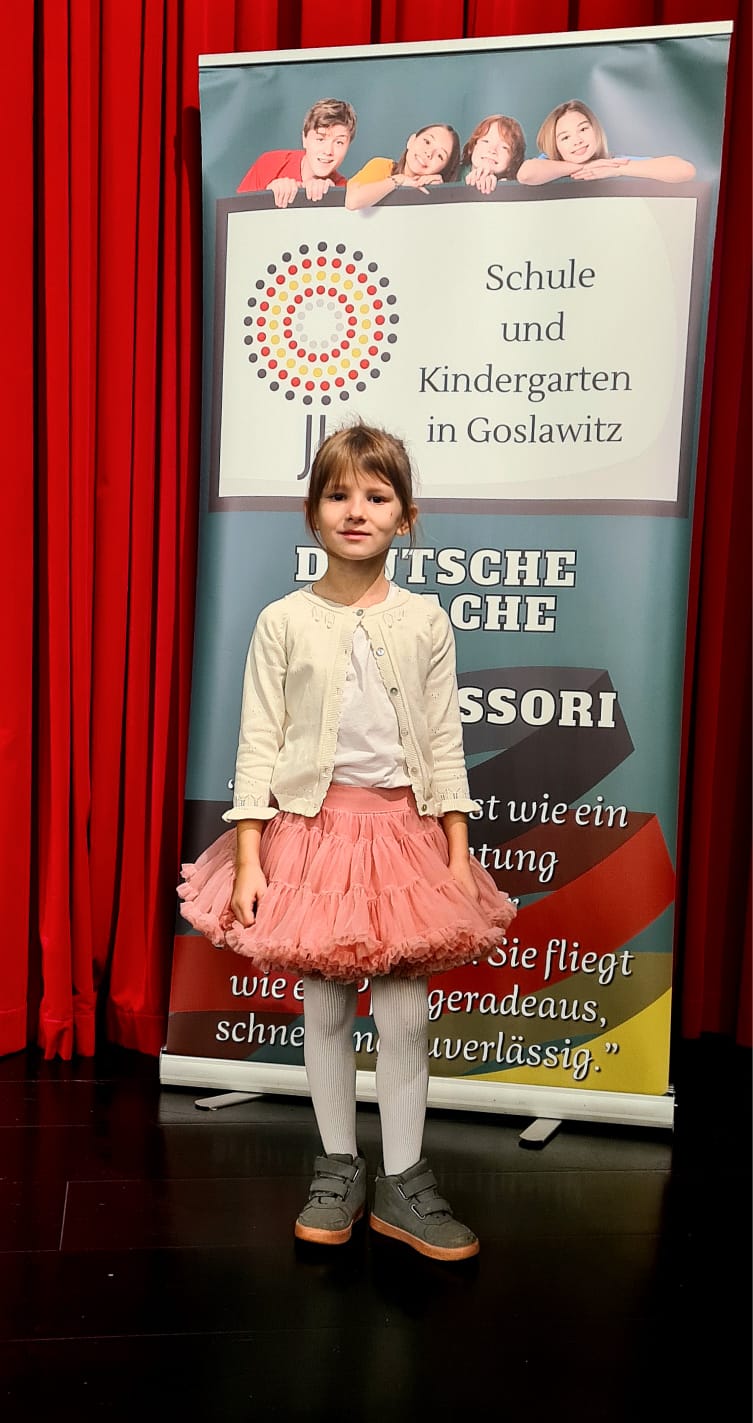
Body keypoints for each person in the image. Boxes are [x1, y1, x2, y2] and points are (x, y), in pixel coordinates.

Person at [178, 423, 516, 1262]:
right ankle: (337, 1168)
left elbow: (444, 742)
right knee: (325, 1007)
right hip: (311, 836)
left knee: (405, 1014)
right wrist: (249, 856)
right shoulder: (282, 620)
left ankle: (404, 1181)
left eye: (375, 495)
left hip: (402, 836)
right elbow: (258, 741)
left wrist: (456, 851)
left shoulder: (425, 620)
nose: (355, 510)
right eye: (337, 495)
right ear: (312, 512)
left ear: (405, 516)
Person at [517, 99, 696, 185]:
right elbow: (526, 175)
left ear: (595, 130)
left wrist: (616, 169)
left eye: (583, 129)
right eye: (565, 137)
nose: (577, 140)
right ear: (555, 145)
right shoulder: (548, 162)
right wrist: (586, 167)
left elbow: (685, 170)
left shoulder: (613, 162)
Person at [236, 98, 357, 207]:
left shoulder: (347, 195)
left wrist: (333, 199)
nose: (328, 151)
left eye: (339, 142)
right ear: (304, 139)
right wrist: (266, 197)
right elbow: (237, 217)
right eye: (320, 139)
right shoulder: (269, 164)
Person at [345, 124, 461, 210]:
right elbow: (352, 201)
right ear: (411, 141)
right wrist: (399, 180)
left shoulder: (439, 195)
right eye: (427, 142)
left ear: (443, 169)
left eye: (440, 155)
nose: (429, 153)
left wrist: (436, 194)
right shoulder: (382, 166)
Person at [461, 114, 526, 193]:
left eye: (504, 147)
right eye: (485, 141)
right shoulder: (453, 174)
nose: (492, 150)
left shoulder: (515, 188)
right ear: (472, 147)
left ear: (513, 160)